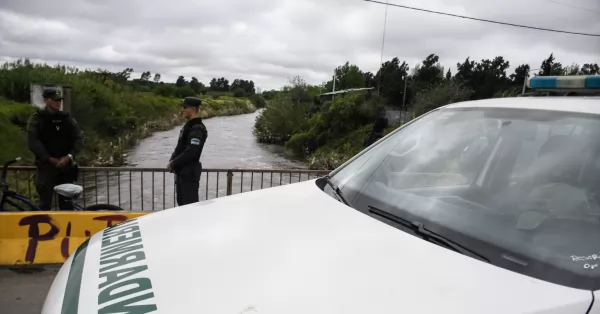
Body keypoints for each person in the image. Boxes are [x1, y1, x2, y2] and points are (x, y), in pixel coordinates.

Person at [27, 88, 83, 210]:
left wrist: (69, 156)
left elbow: (78, 139)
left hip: (66, 168)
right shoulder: (36, 119)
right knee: (44, 204)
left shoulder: (67, 119)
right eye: (55, 100)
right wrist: (48, 158)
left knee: (67, 205)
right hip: (46, 168)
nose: (58, 103)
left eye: (60, 100)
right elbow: (33, 142)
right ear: (46, 100)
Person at [168, 97, 208, 206]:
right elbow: (180, 146)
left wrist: (174, 163)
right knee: (182, 204)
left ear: (193, 109)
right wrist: (173, 159)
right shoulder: (189, 126)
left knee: (190, 206)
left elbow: (192, 151)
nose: (183, 109)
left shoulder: (197, 128)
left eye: (185, 107)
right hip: (182, 172)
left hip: (190, 172)